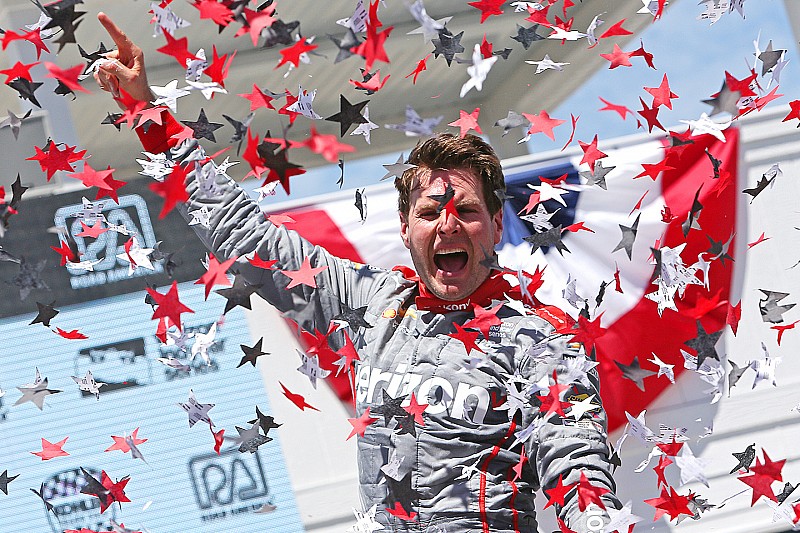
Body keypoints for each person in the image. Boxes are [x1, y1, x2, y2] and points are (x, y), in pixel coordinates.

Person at [94, 12, 621, 532]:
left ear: (495, 222)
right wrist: (147, 113)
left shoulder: (539, 341)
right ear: (404, 227)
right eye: (430, 213)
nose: (447, 226)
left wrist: (595, 519)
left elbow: (577, 463)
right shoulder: (370, 303)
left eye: (466, 211)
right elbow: (245, 237)